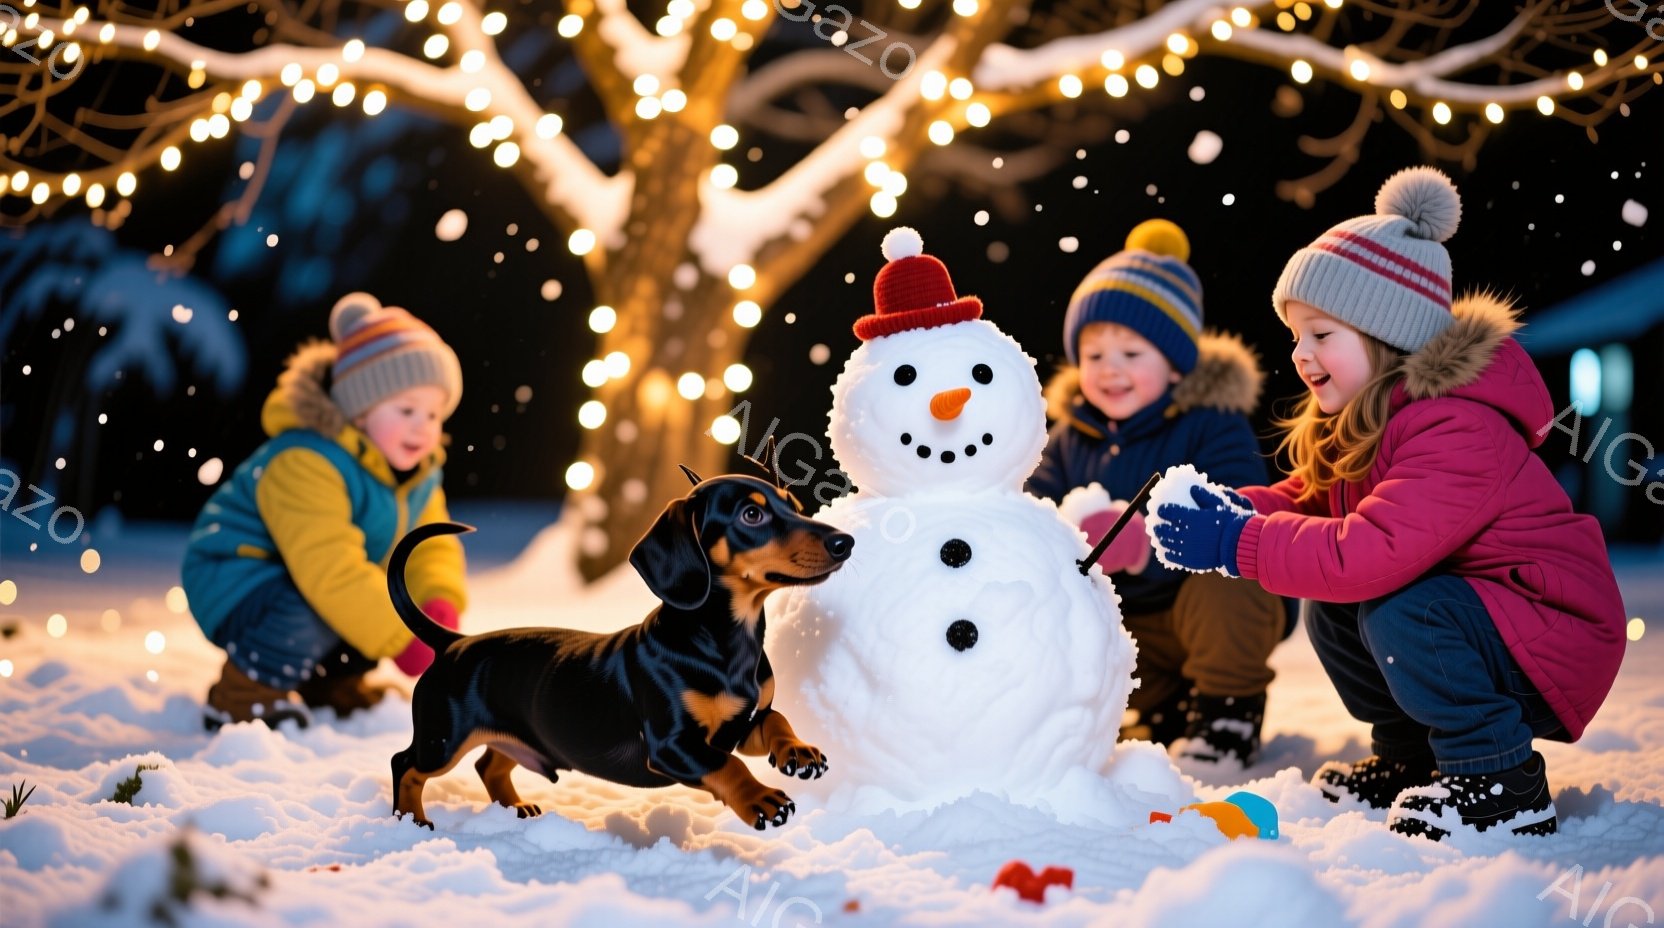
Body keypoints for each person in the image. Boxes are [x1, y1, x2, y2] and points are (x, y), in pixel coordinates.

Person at [1149, 167, 1627, 840]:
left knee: (1401, 604)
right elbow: (1311, 502)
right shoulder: (1368, 419)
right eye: (1296, 336)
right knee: (1337, 607)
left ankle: (1498, 779)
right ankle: (1412, 759)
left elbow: (1372, 551)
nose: (1301, 355)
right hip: (1486, 619)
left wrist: (1238, 540)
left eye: (1322, 335)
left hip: (1551, 633)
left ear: (1388, 336)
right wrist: (1235, 509)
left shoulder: (1457, 426)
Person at [1028, 219, 1289, 769]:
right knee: (1060, 609)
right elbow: (1030, 509)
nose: (1110, 370)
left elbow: (1240, 507)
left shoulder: (1212, 424)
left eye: (1131, 354)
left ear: (1174, 365)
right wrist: (1060, 532)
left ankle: (1227, 713)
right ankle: (1156, 710)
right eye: (1094, 356)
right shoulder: (1070, 437)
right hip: (1131, 625)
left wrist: (1144, 542)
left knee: (1229, 580)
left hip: (1199, 615)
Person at [182, 293, 469, 730]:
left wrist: (438, 602)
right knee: (339, 602)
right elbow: (328, 566)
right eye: (407, 409)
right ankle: (243, 695)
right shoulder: (304, 460)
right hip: (237, 579)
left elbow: (432, 546)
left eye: (434, 414)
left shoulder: (418, 476)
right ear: (359, 412)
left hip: (307, 579)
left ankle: (330, 685)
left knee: (373, 597)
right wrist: (400, 636)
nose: (422, 426)